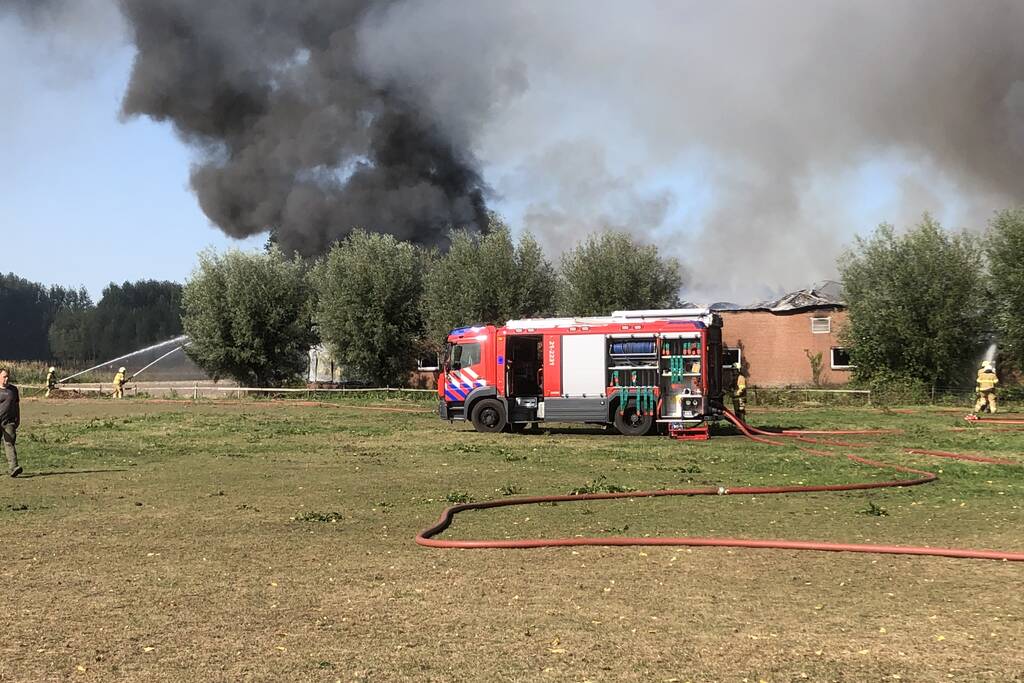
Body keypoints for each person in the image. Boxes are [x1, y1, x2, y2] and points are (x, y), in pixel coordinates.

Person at [0, 367, 23, 478]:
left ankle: (14, 468)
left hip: (9, 421)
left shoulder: (13, 390)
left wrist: (18, 418)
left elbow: (17, 405)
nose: (6, 379)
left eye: (8, 376)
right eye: (4, 377)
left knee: (9, 443)